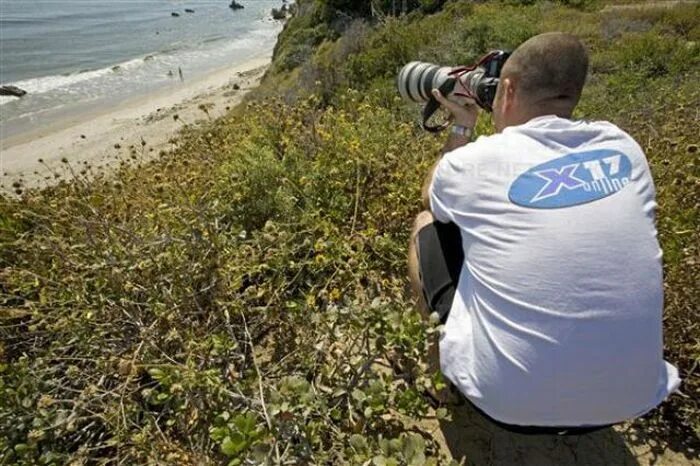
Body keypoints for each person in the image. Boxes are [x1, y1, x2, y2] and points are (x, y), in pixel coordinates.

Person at [407, 32, 681, 434]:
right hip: (632, 400)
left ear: (508, 89)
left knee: (425, 226)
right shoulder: (624, 147)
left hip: (504, 404)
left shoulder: (476, 162)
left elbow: (433, 197)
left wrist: (464, 126)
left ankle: (441, 380)